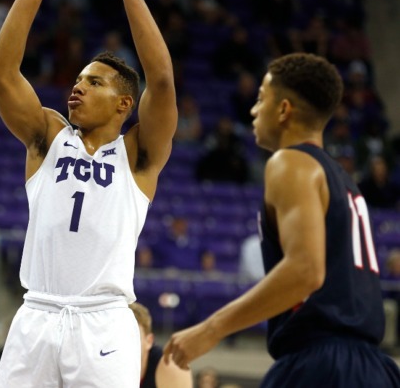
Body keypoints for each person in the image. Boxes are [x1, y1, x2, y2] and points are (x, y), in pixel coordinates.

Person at [0, 0, 178, 387]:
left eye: (94, 82)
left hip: (104, 321)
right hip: (36, 314)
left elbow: (164, 81)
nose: (77, 87)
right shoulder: (48, 135)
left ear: (123, 103)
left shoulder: (138, 156)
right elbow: (1, 74)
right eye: (77, 79)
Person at [163, 53, 400, 387]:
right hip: (375, 368)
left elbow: (305, 270)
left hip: (322, 364)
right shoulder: (344, 180)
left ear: (284, 109)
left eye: (261, 99)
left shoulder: (290, 162)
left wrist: (210, 329)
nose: (253, 110)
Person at [130, 302, 192, 388]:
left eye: (131, 337)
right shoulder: (107, 364)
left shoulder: (170, 364)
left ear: (149, 341)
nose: (124, 344)